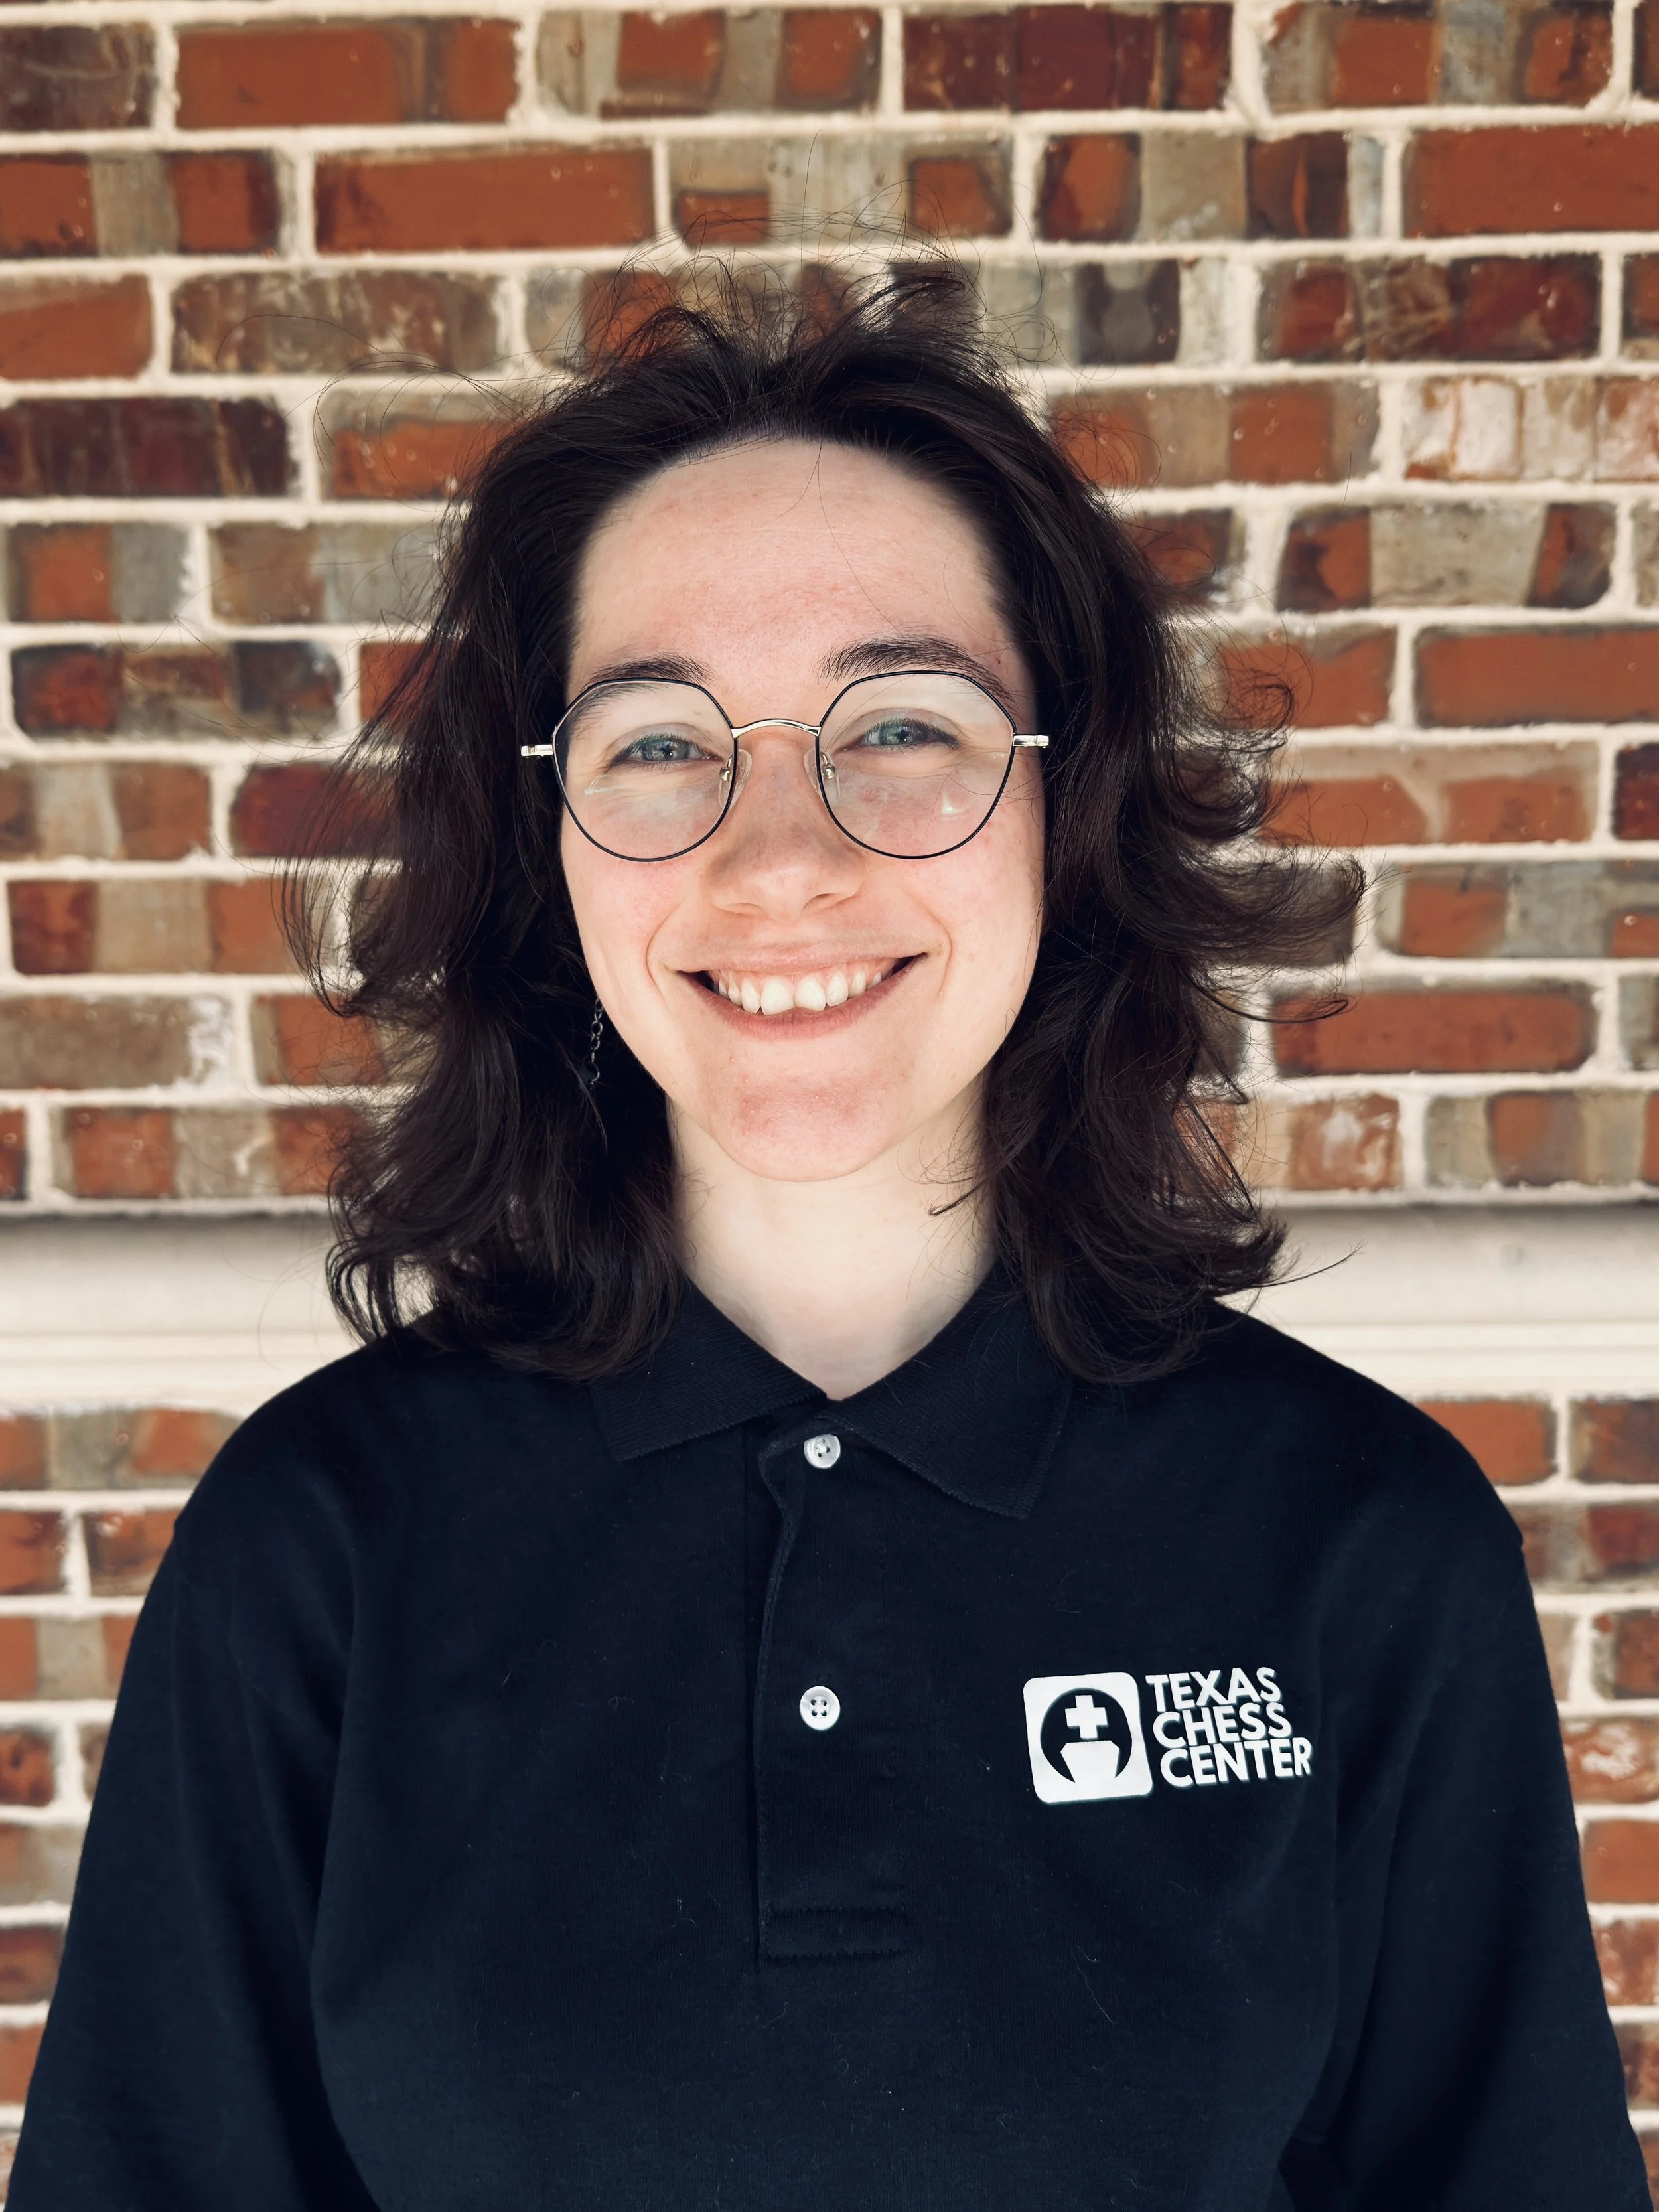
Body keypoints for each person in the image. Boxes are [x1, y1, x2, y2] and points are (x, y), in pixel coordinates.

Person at [9, 262, 1645, 2211]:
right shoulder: (317, 1553)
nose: (777, 857)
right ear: (544, 844)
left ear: (1069, 797)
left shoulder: (1359, 1542)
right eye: (655, 741)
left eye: (899, 725)